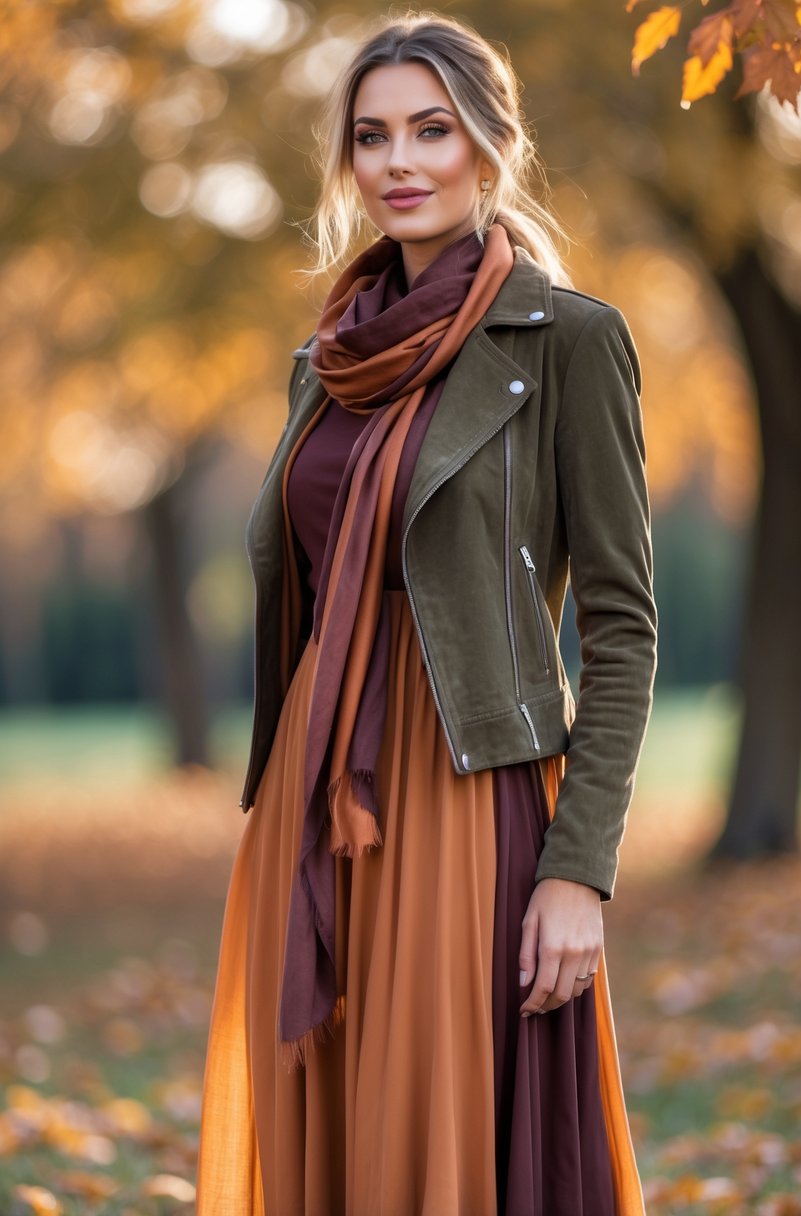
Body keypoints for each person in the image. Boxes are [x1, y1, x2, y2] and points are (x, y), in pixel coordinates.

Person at [196, 10, 657, 1215]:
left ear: (489, 148)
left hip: (465, 797)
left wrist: (579, 871)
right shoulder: (324, 360)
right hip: (315, 795)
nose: (399, 162)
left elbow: (621, 625)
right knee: (327, 1133)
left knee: (437, 1138)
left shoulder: (569, 343)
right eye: (371, 136)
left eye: (430, 130)